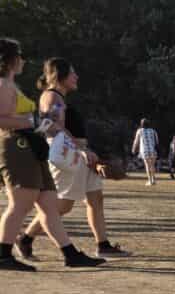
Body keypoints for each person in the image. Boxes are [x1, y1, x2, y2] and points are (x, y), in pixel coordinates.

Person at [0, 40, 105, 270]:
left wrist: (39, 122)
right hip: (17, 146)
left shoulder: (10, 84)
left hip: (30, 147)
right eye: (20, 55)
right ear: (9, 60)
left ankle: (70, 254)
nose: (23, 60)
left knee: (49, 203)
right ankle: (4, 254)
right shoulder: (3, 85)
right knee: (20, 204)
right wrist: (32, 120)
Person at [18, 58, 128, 261]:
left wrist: (87, 151)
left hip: (78, 155)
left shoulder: (59, 97)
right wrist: (81, 149)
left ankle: (103, 245)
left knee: (95, 198)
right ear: (59, 75)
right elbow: (50, 127)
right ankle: (25, 238)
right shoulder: (52, 97)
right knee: (62, 206)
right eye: (72, 73)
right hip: (67, 157)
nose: (76, 77)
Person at [132, 118, 160, 186]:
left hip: (145, 150)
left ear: (141, 124)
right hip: (153, 150)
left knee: (147, 165)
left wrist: (133, 149)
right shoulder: (153, 131)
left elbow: (136, 141)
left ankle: (150, 181)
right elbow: (157, 141)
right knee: (152, 165)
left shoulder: (140, 131)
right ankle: (153, 180)